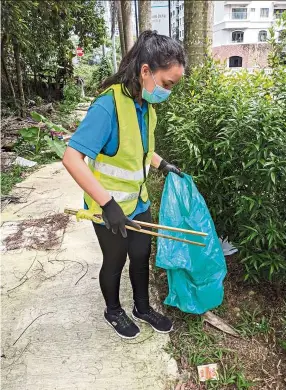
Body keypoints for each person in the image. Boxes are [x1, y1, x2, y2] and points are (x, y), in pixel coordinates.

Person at [62, 30, 186, 339]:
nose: (168, 91)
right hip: (109, 208)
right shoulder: (108, 106)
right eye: (168, 83)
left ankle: (142, 308)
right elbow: (71, 158)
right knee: (115, 260)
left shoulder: (146, 105)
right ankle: (113, 311)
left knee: (142, 254)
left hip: (138, 202)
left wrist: (164, 164)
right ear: (146, 71)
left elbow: (139, 151)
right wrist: (107, 204)